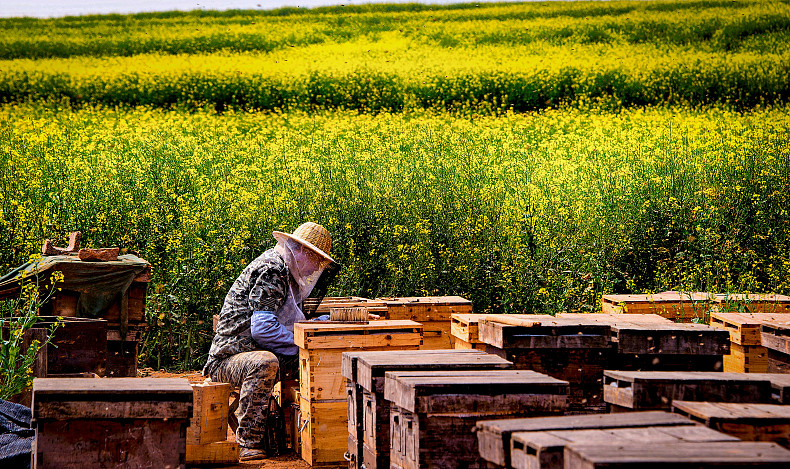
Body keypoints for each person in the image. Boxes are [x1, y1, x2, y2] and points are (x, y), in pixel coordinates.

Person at [203, 222, 337, 461]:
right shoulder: (272, 270)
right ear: (302, 252)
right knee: (264, 363)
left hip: (251, 351)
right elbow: (263, 330)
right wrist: (305, 342)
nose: (315, 268)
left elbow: (291, 322)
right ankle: (248, 443)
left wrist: (333, 321)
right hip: (229, 359)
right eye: (316, 261)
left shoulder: (285, 271)